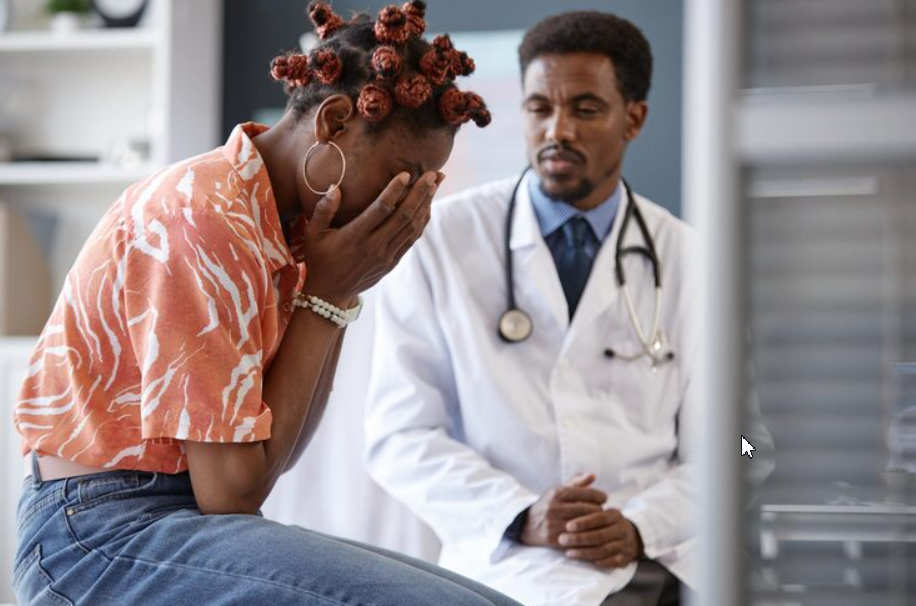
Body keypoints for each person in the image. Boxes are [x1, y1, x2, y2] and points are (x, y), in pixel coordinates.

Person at [11, 3, 522, 605]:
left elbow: (276, 458)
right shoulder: (203, 216)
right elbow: (231, 493)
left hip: (171, 519)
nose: (410, 202)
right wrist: (328, 294)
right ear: (334, 122)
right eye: (404, 175)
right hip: (95, 534)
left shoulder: (286, 228)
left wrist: (337, 291)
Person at [365, 11, 731, 606]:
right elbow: (397, 436)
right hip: (503, 565)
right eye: (539, 108)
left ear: (633, 118)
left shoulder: (695, 261)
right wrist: (520, 514)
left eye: (585, 109)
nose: (557, 130)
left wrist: (642, 525)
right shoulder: (442, 240)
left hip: (653, 566)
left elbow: (745, 447)